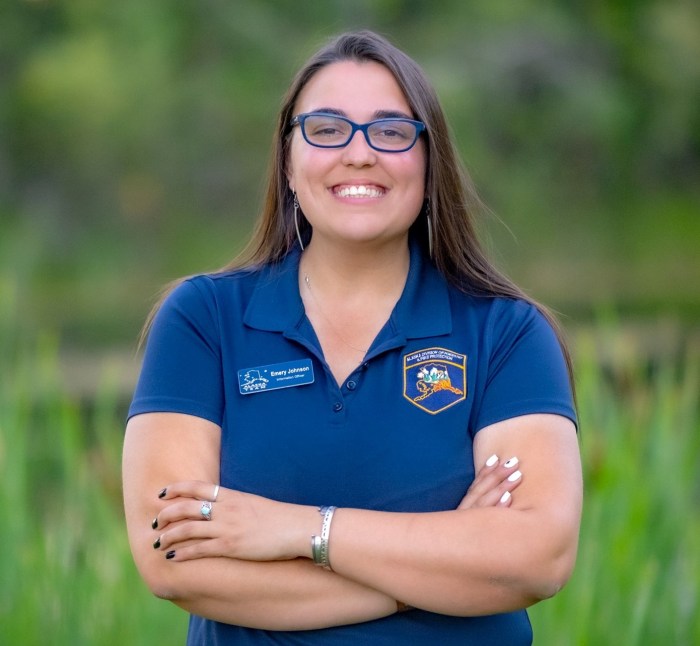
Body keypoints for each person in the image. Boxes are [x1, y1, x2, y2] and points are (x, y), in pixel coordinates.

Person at [122, 29, 582, 645]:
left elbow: (537, 556)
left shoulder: (506, 332)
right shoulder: (203, 320)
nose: (359, 153)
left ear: (428, 161)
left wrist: (298, 529)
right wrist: (439, 566)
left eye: (391, 131)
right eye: (327, 128)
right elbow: (173, 560)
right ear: (288, 161)